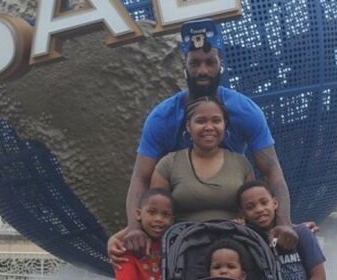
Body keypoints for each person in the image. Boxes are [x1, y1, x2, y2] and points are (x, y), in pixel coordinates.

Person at [115, 18, 297, 261]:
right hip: (180, 233)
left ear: (221, 64)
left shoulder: (245, 112)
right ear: (184, 66)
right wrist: (134, 228)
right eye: (195, 63)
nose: (203, 71)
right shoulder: (162, 118)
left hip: (234, 230)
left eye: (210, 62)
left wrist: (284, 223)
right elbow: (140, 179)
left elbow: (272, 172)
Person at [150, 96, 252, 221]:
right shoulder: (168, 164)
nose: (209, 127)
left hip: (234, 237)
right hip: (184, 238)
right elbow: (154, 214)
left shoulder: (241, 164)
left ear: (224, 125)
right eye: (201, 121)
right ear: (188, 126)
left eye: (216, 120)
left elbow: (254, 211)